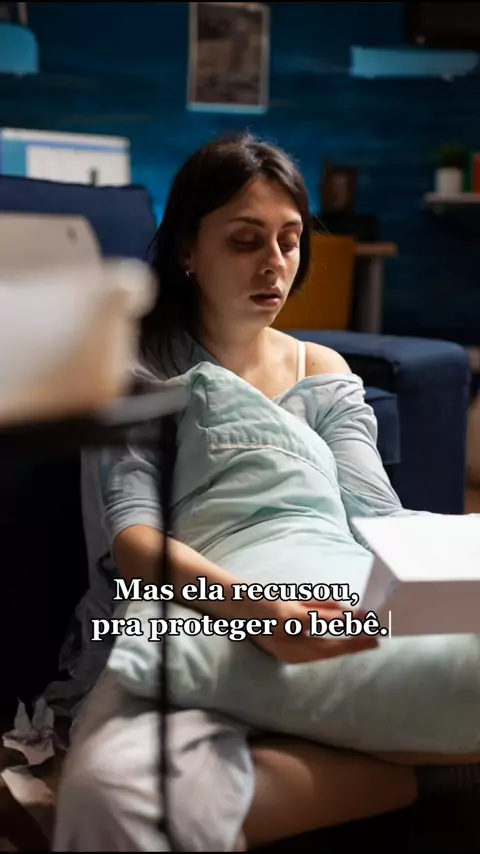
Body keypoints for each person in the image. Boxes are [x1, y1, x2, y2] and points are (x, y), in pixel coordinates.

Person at [53, 133, 479, 852]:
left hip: (327, 589)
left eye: (289, 240)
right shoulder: (138, 364)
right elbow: (133, 539)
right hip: (198, 601)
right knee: (114, 795)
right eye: (246, 241)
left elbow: (376, 519)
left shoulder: (321, 369)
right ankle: (416, 771)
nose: (275, 263)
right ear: (188, 250)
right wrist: (261, 611)